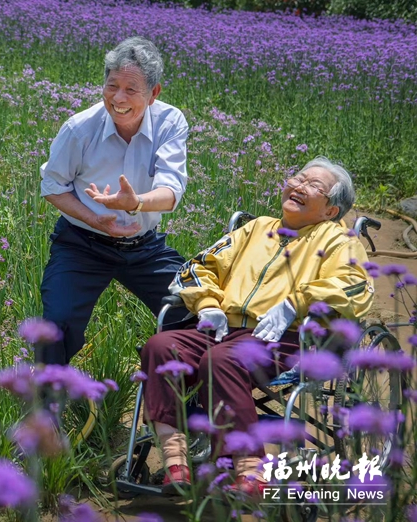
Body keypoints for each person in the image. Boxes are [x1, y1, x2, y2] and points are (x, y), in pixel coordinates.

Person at [141, 156, 374, 496]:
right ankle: (177, 463)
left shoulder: (339, 242)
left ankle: (250, 470)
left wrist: (296, 302)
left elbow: (355, 285)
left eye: (314, 186)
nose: (299, 186)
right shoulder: (254, 228)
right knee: (160, 346)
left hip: (287, 337)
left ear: (330, 210)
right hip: (224, 330)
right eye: (298, 178)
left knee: (220, 361)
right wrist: (208, 304)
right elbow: (197, 267)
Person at [39, 36, 189, 366]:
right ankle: (46, 410)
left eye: (131, 89)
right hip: (82, 244)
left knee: (192, 310)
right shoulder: (79, 128)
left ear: (154, 94)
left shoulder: (170, 122)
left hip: (144, 247)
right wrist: (94, 219)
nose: (118, 98)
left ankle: (180, 405)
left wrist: (134, 203)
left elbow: (171, 192)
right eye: (112, 86)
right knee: (55, 325)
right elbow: (52, 185)